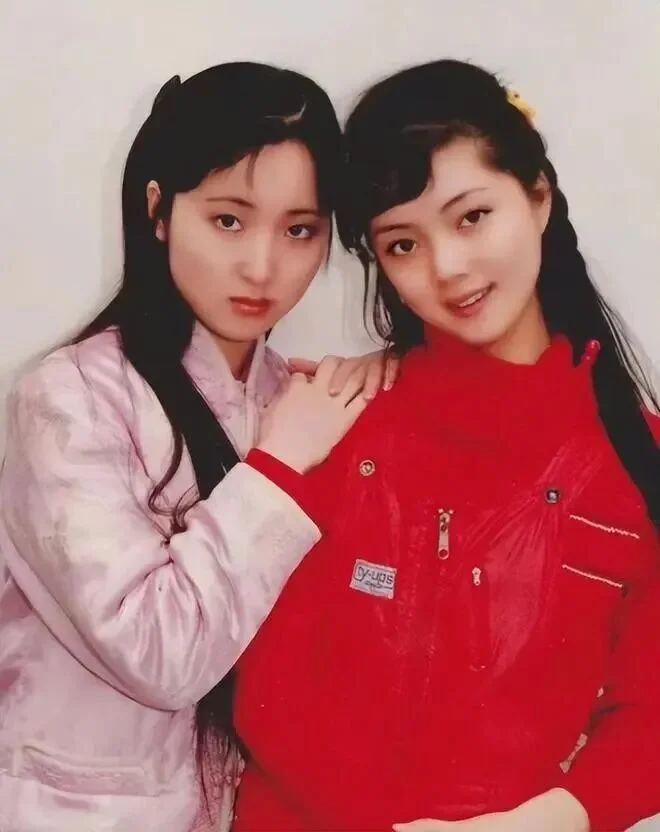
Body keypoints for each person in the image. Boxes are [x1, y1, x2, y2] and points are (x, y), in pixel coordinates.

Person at [231, 60, 660, 832]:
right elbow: (251, 684)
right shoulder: (333, 418)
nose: (448, 268)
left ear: (539, 197)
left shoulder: (637, 457)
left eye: (472, 217)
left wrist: (543, 822)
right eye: (402, 244)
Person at [0, 62, 396, 832]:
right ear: (158, 210)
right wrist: (277, 470)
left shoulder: (294, 401)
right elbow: (160, 655)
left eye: (300, 230)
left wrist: (394, 381)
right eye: (228, 221)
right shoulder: (68, 398)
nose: (261, 265)